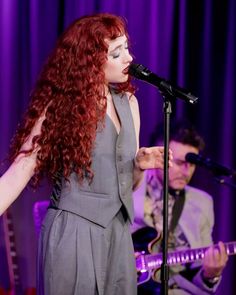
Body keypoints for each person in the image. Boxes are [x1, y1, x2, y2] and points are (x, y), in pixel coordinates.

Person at [0, 13, 172, 295]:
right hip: (73, 234)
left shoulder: (130, 104)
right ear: (91, 61)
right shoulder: (62, 107)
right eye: (117, 53)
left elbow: (124, 187)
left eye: (127, 48)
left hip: (118, 235)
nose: (128, 57)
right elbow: (20, 170)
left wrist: (139, 167)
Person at [131, 120, 228, 294]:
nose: (186, 172)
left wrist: (211, 275)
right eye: (179, 162)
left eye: (191, 164)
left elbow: (201, 274)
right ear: (159, 155)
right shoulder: (131, 186)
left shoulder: (202, 203)